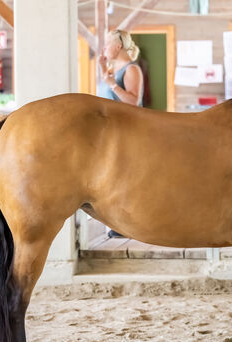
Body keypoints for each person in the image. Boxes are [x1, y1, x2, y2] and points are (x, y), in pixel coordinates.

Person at [96, 30, 144, 238]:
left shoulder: (132, 70)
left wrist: (112, 85)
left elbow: (133, 102)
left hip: (127, 132)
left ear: (117, 46)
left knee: (125, 180)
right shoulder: (112, 71)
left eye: (107, 44)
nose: (104, 48)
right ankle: (116, 222)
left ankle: (128, 225)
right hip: (109, 135)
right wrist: (102, 71)